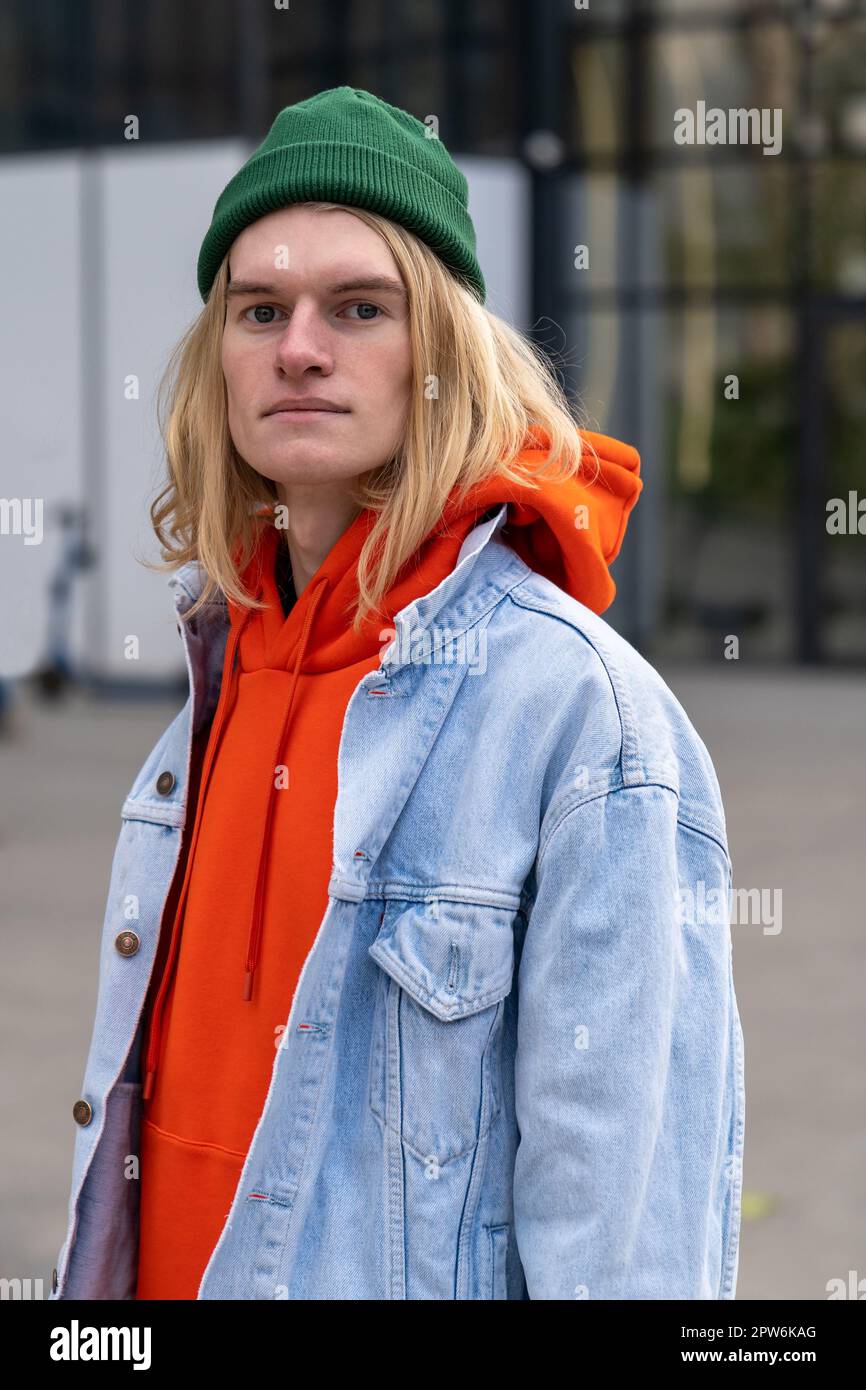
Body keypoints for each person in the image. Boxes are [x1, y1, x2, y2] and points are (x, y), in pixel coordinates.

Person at [50, 87, 745, 1301]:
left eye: (357, 308)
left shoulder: (584, 721)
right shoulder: (214, 684)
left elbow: (626, 1248)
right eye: (258, 309)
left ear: (442, 351)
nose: (299, 346)